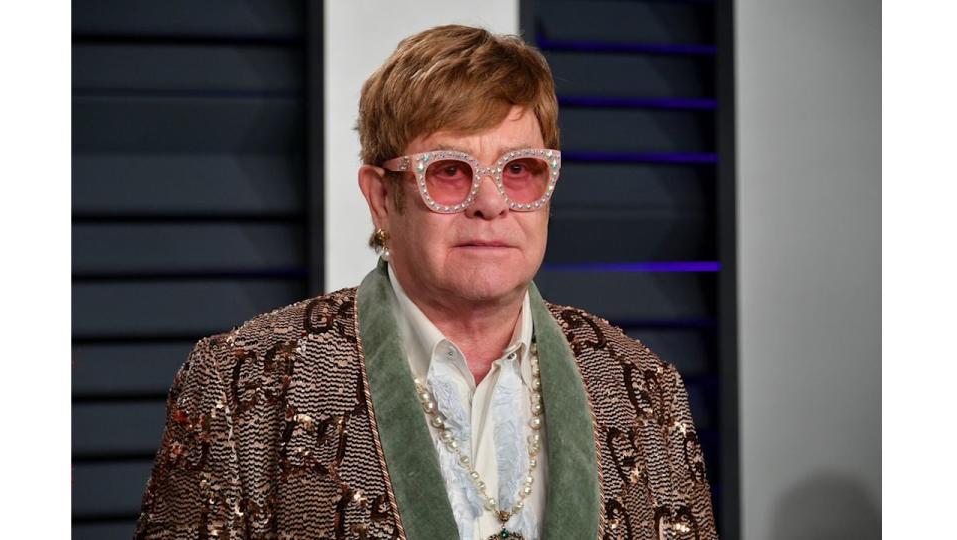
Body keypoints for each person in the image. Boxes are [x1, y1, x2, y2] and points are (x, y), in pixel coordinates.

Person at [134, 24, 717, 540]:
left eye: (519, 170)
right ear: (382, 198)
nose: (490, 203)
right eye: (448, 172)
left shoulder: (643, 386)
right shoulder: (243, 386)